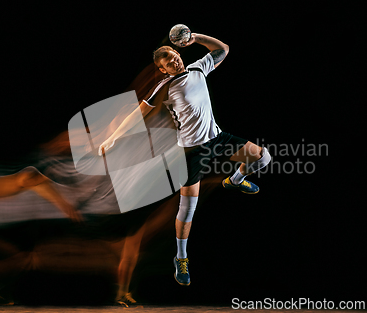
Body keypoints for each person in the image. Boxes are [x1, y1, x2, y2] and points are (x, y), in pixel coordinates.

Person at [98, 31, 271, 287]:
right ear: (162, 68)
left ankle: (235, 179)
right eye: (167, 60)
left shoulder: (198, 69)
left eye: (174, 55)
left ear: (180, 54)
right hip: (191, 151)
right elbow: (137, 115)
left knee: (263, 158)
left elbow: (223, 48)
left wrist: (195, 37)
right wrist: (112, 138)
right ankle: (181, 257)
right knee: (188, 208)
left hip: (217, 138)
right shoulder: (164, 86)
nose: (174, 61)